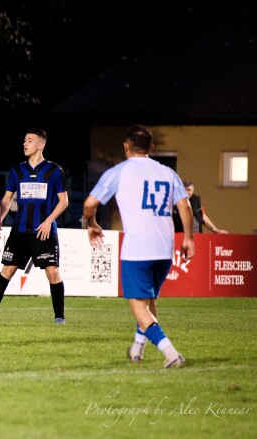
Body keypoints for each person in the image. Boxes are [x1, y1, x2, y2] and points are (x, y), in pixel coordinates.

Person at [83, 124, 194, 368]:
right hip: (165, 247)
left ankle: (171, 353)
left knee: (137, 305)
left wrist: (91, 223)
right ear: (151, 148)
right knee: (148, 301)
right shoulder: (167, 172)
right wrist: (188, 238)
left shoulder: (119, 172)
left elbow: (90, 203)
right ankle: (137, 349)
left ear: (126, 146)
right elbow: (184, 206)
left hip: (137, 248)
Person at [0, 128, 69, 324]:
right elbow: (6, 200)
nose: (25, 143)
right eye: (24, 140)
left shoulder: (55, 171)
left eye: (29, 140)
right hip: (20, 231)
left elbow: (63, 202)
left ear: (41, 145)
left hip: (43, 231)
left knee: (52, 272)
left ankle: (59, 318)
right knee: (8, 270)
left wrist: (48, 222)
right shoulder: (17, 171)